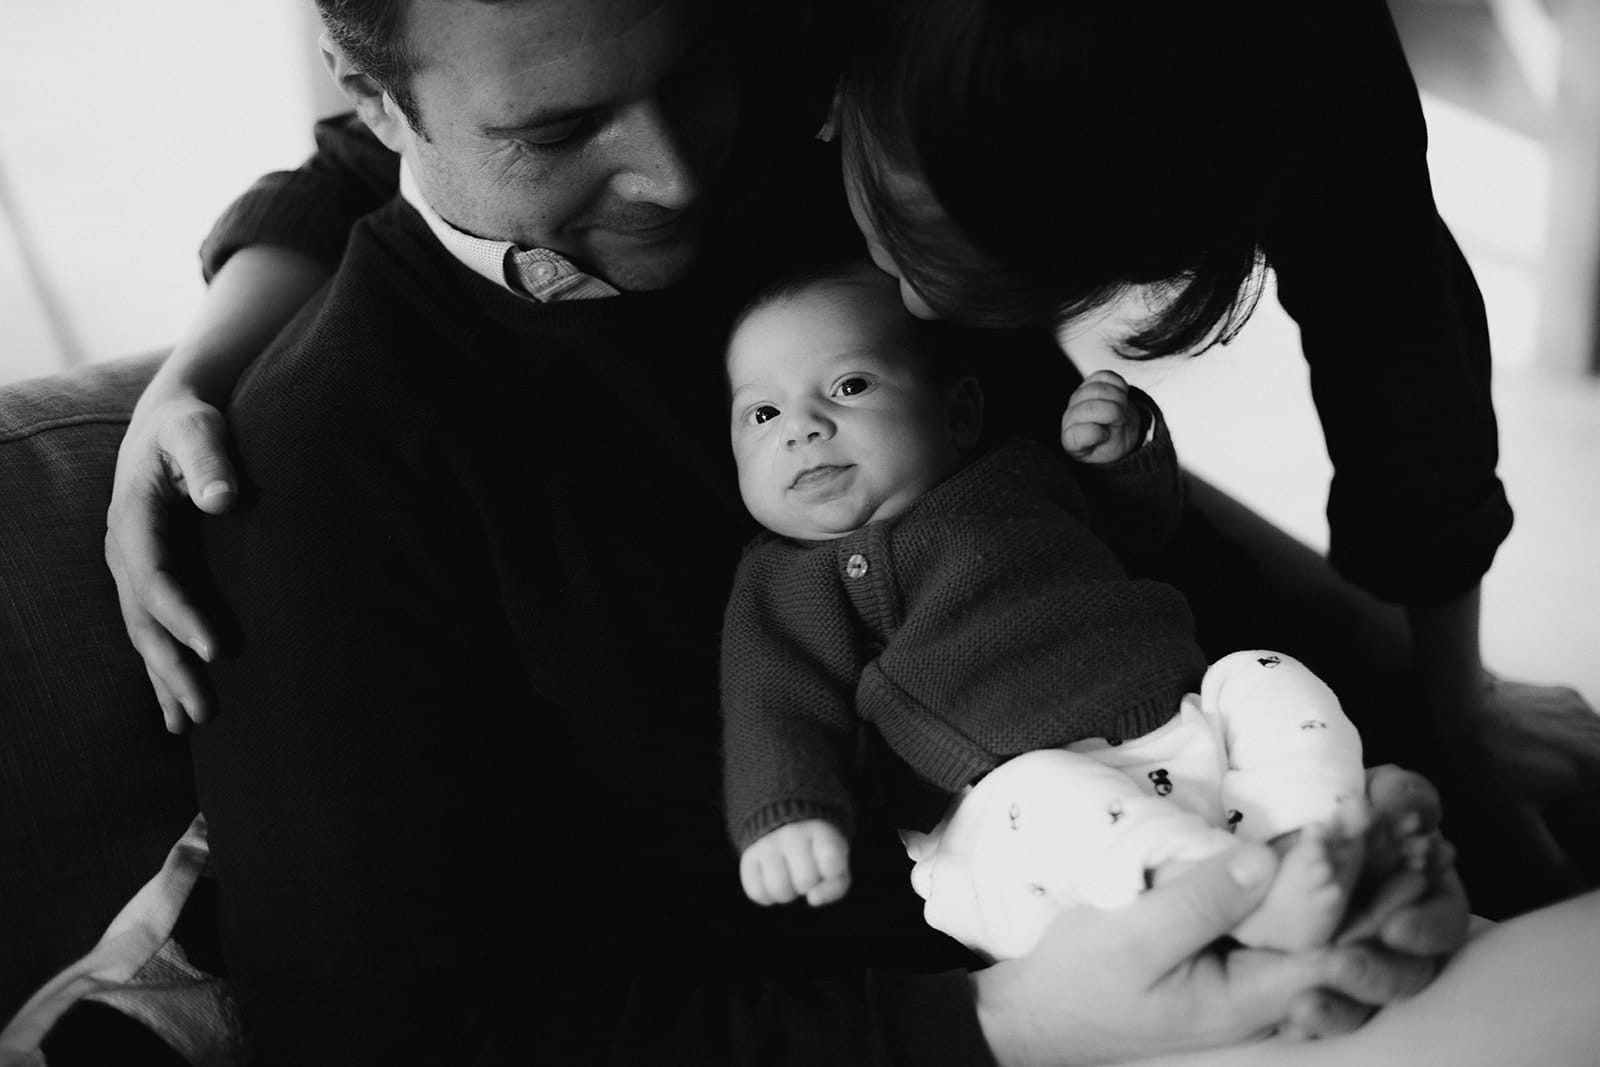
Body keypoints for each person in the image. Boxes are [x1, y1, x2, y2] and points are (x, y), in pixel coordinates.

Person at [91, 0, 1600, 1062]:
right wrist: (1004, 1028)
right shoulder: (311, 470)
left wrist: (1414, 730)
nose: (679, 173)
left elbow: (1352, 345)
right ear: (380, 107)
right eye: (556, 132)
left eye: (691, 65)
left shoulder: (843, 155)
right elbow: (392, 1032)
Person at [822, 0, 1600, 915]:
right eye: (896, 244)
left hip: (1069, 525)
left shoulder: (1296, 50)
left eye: (960, 284)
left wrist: (1461, 702)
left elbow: (1401, 349)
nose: (908, 307)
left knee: (1532, 826)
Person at [720, 261, 1387, 962]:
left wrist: (1120, 457)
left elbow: (1137, 536)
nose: (803, 428)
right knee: (1053, 798)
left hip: (1180, 729)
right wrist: (787, 811)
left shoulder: (1023, 471)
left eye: (848, 386)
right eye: (762, 413)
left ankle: (1320, 841)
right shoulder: (788, 579)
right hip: (1005, 822)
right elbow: (774, 703)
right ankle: (1232, 902)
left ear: (959, 412)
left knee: (1264, 675)